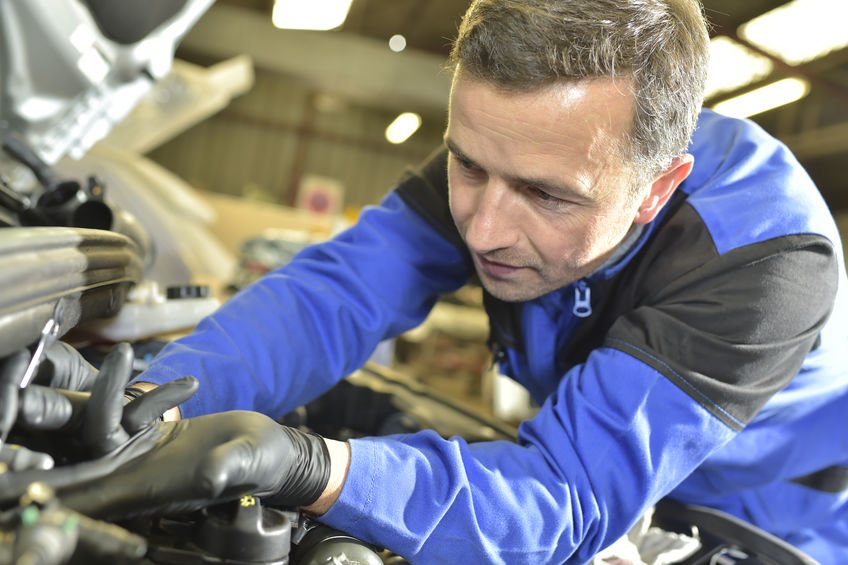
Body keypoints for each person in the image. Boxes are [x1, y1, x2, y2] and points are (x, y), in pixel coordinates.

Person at [7, 0, 848, 562]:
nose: (482, 227)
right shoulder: (520, 155)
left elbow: (566, 493)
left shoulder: (766, 259)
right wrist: (163, 391)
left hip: (763, 520)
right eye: (468, 166)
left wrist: (307, 464)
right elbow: (331, 299)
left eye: (547, 197)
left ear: (658, 187)